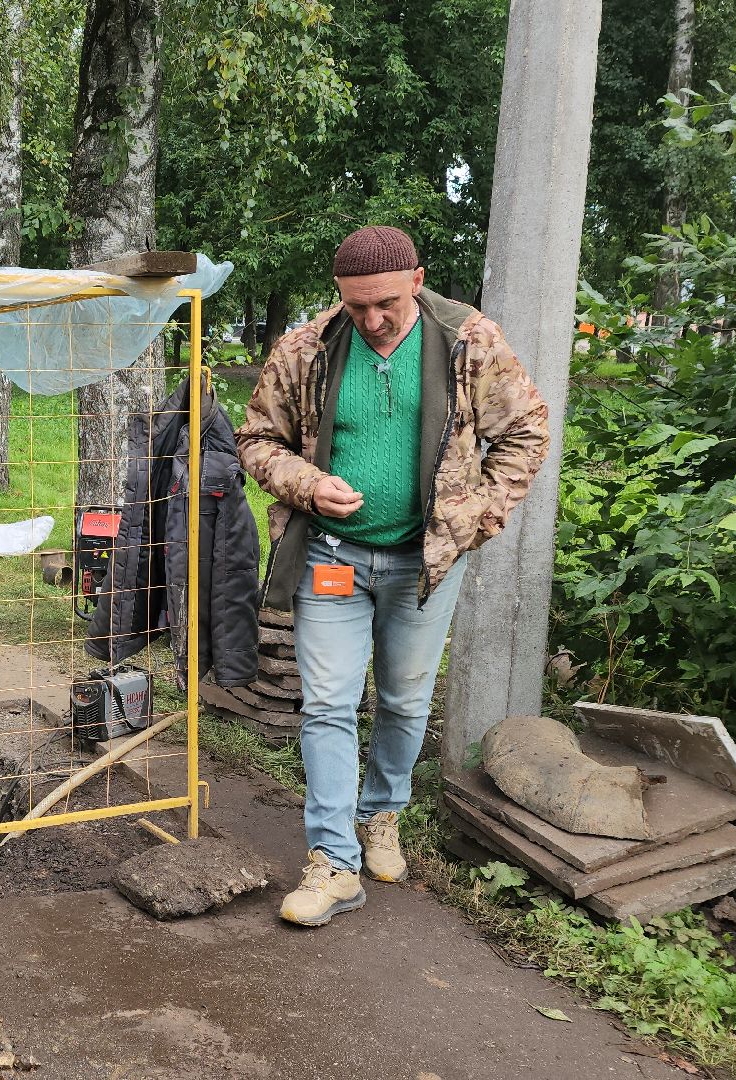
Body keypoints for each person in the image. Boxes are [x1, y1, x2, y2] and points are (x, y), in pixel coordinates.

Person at [234, 225, 550, 927]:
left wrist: (473, 518)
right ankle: (333, 860)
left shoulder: (469, 343)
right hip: (332, 558)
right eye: (356, 306)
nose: (372, 320)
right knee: (327, 704)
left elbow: (526, 431)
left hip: (423, 563)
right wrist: (307, 484)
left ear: (417, 280)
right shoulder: (307, 348)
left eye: (386, 304)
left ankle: (381, 813)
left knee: (405, 702)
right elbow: (256, 438)